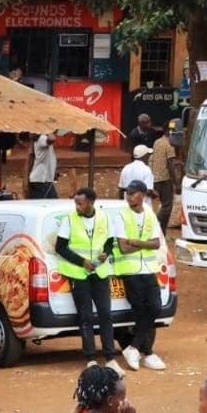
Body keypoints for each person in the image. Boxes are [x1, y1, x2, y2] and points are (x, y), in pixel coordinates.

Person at [55, 187, 121, 373]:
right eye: (75, 203)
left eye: (80, 203)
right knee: (86, 316)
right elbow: (60, 247)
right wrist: (82, 262)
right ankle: (91, 358)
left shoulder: (104, 217)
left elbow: (109, 241)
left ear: (91, 203)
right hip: (79, 274)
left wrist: (105, 253)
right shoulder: (69, 220)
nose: (77, 206)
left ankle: (110, 357)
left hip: (100, 272)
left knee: (106, 314)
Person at [112, 180, 166, 371]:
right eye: (127, 193)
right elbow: (123, 248)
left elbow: (157, 243)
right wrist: (144, 244)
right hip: (130, 269)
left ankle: (134, 348)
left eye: (132, 193)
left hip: (149, 268)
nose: (128, 197)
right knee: (140, 311)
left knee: (155, 307)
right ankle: (148, 353)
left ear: (142, 195)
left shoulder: (149, 213)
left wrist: (135, 241)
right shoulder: (121, 216)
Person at [150, 120, 182, 229]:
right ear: (169, 131)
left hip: (156, 179)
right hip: (165, 180)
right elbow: (170, 164)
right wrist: (177, 183)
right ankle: (154, 224)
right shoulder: (169, 144)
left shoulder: (157, 142)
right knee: (167, 207)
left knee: (163, 206)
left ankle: (161, 230)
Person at [27, 133, 59, 199]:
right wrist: (49, 131)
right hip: (42, 179)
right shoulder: (41, 138)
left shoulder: (41, 138)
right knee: (53, 202)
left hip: (42, 179)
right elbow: (52, 138)